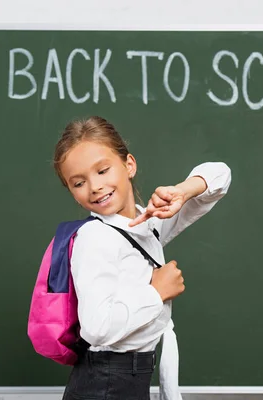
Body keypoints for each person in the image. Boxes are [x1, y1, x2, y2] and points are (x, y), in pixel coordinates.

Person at [53, 116, 231, 400]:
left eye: (102, 170)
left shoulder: (145, 224)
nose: (95, 186)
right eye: (78, 182)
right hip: (106, 382)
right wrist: (155, 292)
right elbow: (96, 328)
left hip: (126, 379)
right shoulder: (95, 238)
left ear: (129, 165)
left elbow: (220, 176)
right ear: (72, 192)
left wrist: (182, 192)